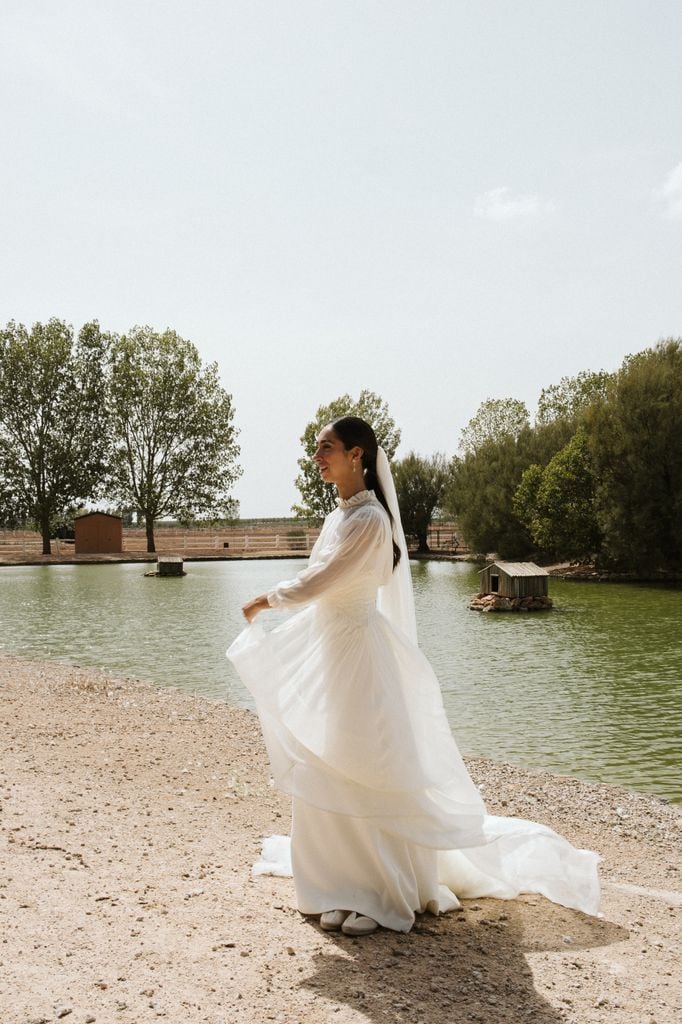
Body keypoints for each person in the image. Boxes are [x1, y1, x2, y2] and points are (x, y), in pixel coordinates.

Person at [227, 416, 600, 936]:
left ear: (357, 455)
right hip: (331, 648)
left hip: (359, 651)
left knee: (367, 763)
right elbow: (324, 584)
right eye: (318, 449)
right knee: (330, 760)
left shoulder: (371, 521)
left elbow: (323, 580)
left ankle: (379, 891)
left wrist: (264, 601)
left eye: (326, 448)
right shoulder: (340, 516)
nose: (318, 457)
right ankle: (337, 882)